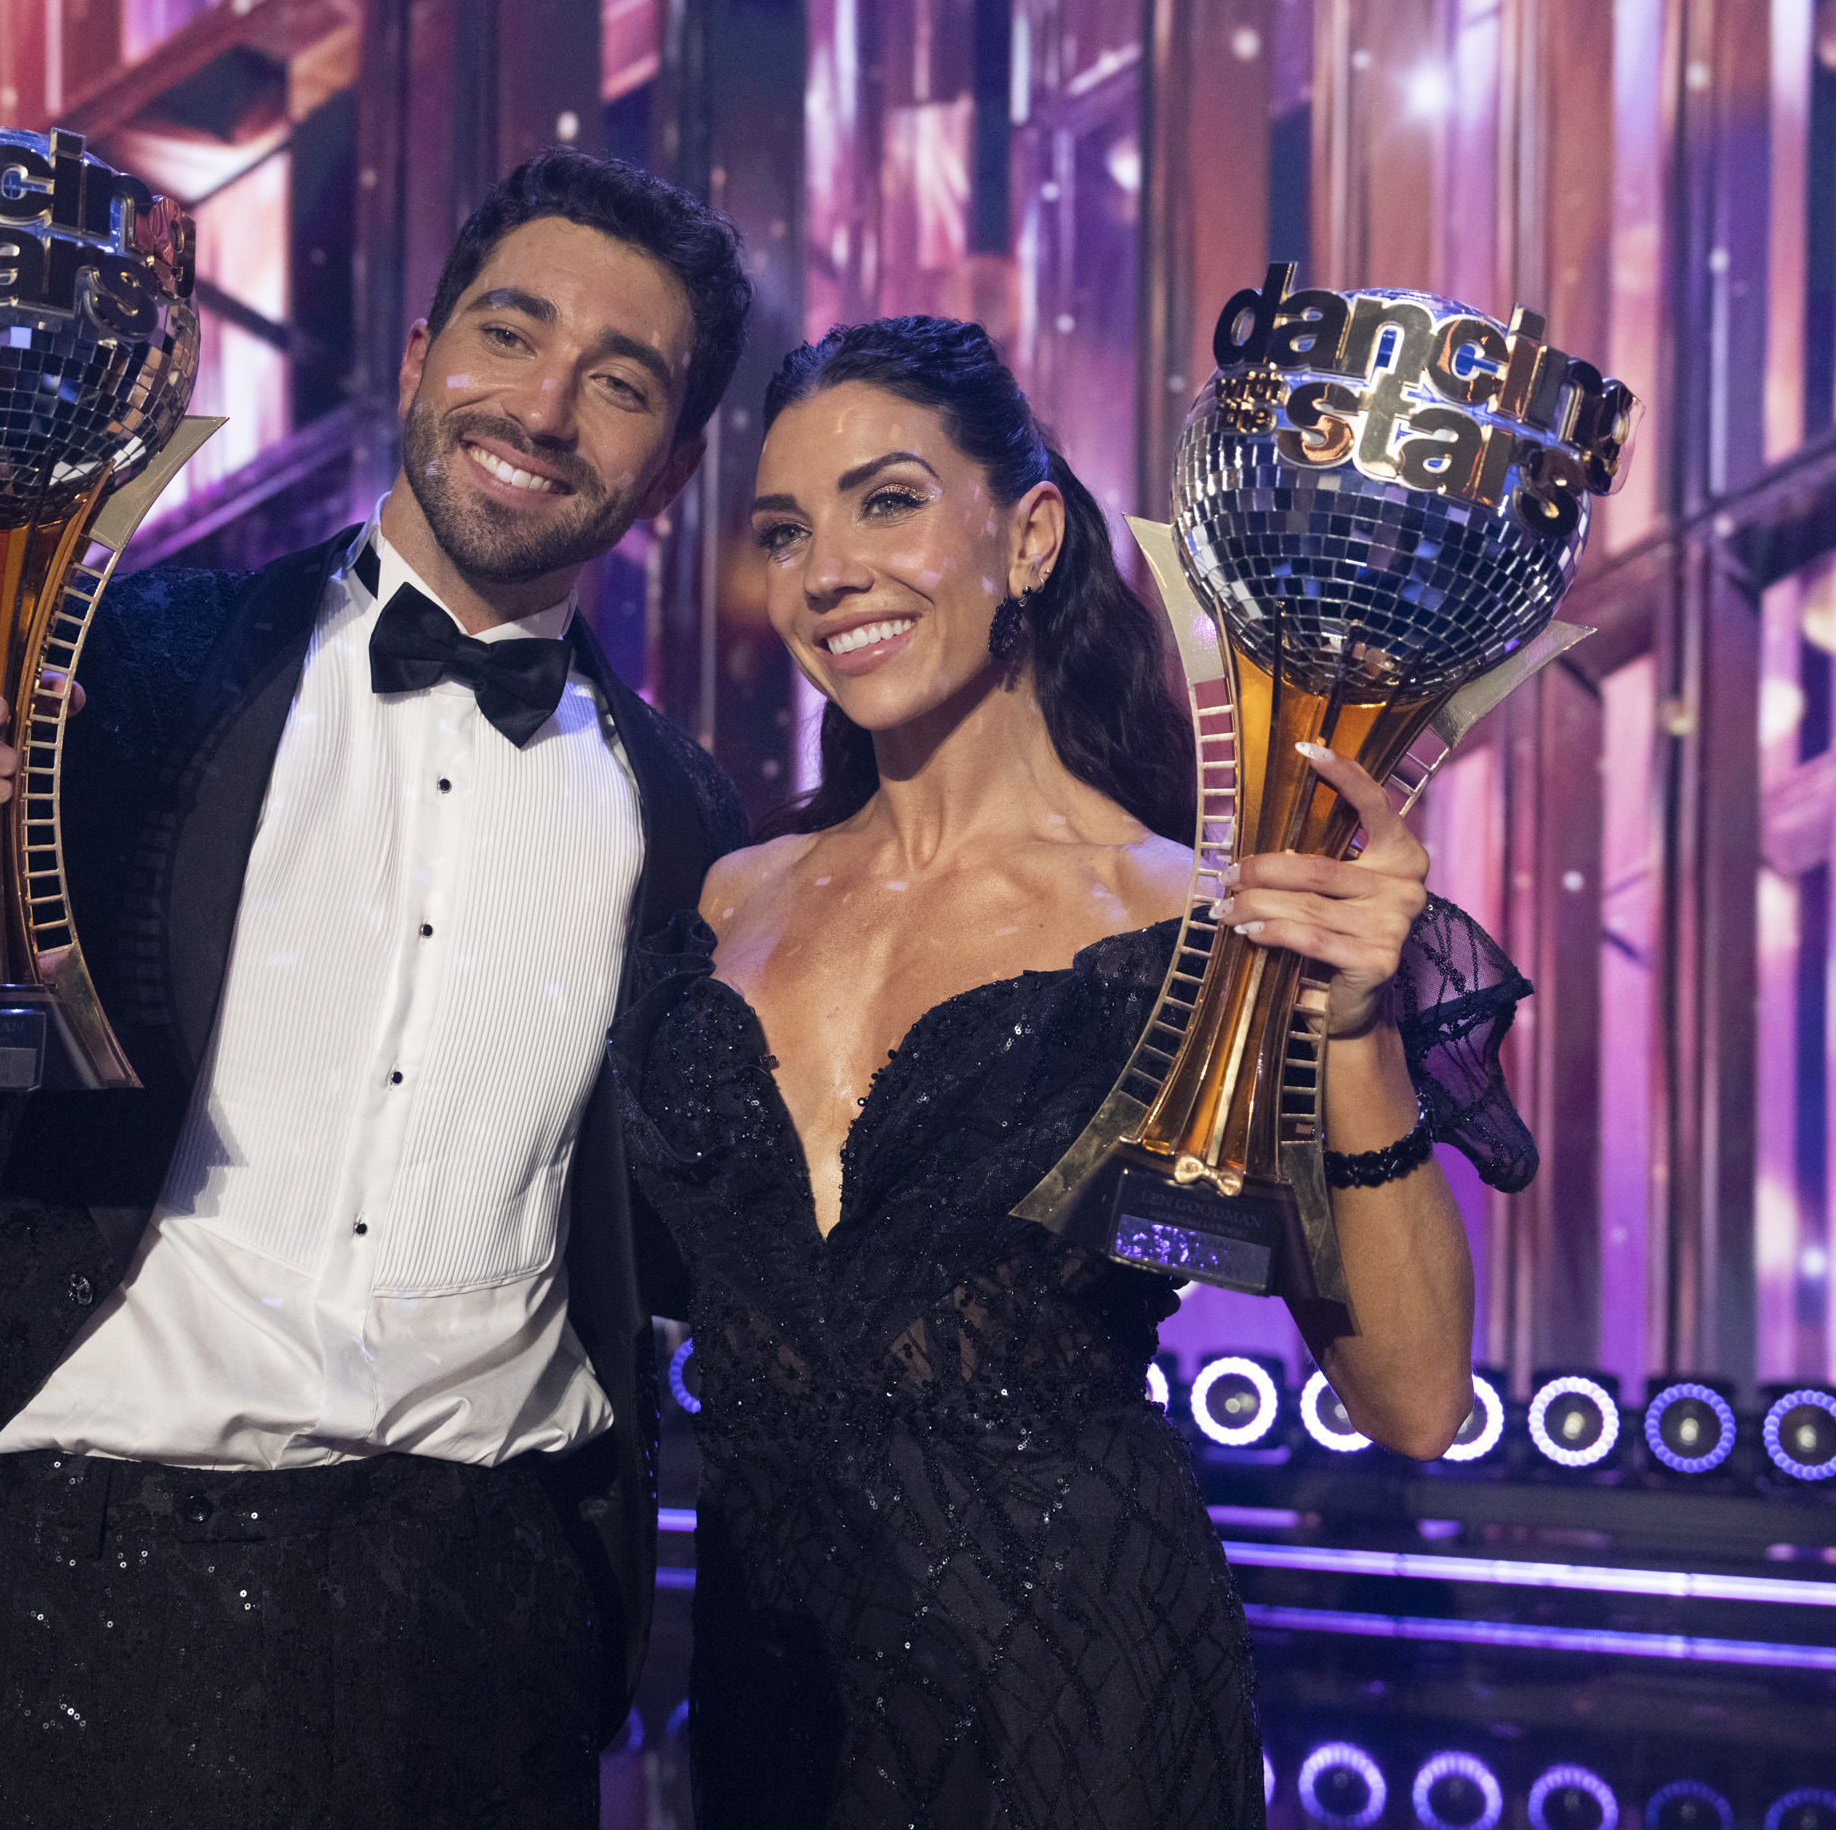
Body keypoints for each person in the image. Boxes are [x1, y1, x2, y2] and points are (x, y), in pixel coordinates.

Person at [0, 147, 751, 1827]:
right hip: (70, 1609)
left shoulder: (690, 819)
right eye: (510, 334)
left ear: (669, 465)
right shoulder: (112, 673)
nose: (545, 404)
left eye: (623, 379)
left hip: (483, 1643)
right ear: (425, 347)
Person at [614, 316, 1537, 1827]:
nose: (828, 568)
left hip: (1081, 1700)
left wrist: (1355, 1033)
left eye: (888, 499)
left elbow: (1418, 1401)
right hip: (769, 1708)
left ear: (1030, 534)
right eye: (786, 529)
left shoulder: (1201, 922)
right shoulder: (723, 902)